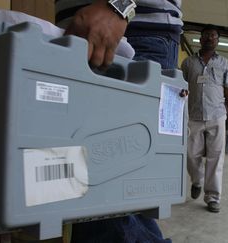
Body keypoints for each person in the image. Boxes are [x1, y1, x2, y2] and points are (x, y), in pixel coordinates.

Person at [54, 0, 183, 242]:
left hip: (124, 32)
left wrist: (118, 6)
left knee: (99, 193)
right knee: (99, 194)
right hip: (80, 34)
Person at [181, 24, 228, 213]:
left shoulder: (224, 63)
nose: (210, 38)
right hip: (193, 116)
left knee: (215, 158)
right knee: (190, 155)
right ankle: (197, 180)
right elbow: (180, 86)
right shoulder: (188, 63)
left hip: (217, 115)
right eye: (206, 35)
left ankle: (213, 197)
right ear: (200, 39)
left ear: (217, 40)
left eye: (213, 36)